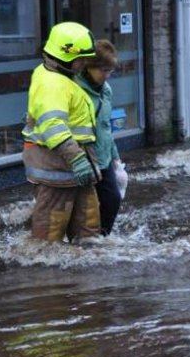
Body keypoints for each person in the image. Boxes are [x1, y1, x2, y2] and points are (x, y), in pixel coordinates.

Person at [22, 22, 102, 242]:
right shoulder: (53, 84)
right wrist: (77, 158)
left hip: (74, 171)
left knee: (89, 233)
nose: (84, 63)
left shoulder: (57, 75)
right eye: (81, 58)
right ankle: (45, 277)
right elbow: (53, 126)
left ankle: (86, 273)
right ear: (65, 55)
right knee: (47, 241)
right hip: (58, 172)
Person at [74, 39, 122, 236]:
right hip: (84, 159)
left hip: (104, 158)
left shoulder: (106, 90)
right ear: (89, 66)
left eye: (110, 71)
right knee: (85, 208)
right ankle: (85, 241)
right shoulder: (75, 89)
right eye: (103, 70)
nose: (107, 75)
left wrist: (115, 156)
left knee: (113, 199)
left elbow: (105, 127)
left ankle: (101, 239)